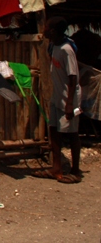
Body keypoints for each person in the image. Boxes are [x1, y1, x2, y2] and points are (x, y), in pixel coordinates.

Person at [35, 16, 82, 183]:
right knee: (54, 130)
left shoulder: (66, 49)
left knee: (72, 133)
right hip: (57, 95)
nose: (44, 29)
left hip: (69, 97)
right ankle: (56, 168)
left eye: (46, 27)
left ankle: (75, 171)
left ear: (53, 30)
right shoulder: (53, 46)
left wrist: (70, 104)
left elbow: (73, 77)